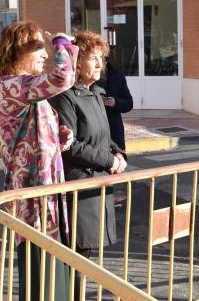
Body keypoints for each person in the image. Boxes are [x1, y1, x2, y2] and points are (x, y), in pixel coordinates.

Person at [0, 20, 78, 301]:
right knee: (41, 268)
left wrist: (59, 135)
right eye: (38, 48)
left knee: (53, 267)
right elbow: (63, 77)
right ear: (18, 52)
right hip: (32, 196)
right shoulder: (12, 86)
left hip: (46, 191)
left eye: (46, 47)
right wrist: (62, 42)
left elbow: (36, 131)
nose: (45, 54)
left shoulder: (27, 89)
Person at [49, 31, 127, 284]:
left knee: (85, 254)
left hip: (97, 184)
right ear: (77, 60)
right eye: (93, 58)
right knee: (76, 253)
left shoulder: (95, 93)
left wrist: (118, 152)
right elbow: (70, 146)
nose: (99, 64)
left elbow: (105, 134)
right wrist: (108, 161)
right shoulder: (65, 96)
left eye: (101, 58)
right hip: (79, 185)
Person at [96, 55, 133, 151]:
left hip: (114, 130)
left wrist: (115, 103)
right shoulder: (85, 78)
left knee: (119, 162)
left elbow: (129, 103)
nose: (97, 64)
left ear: (105, 60)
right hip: (95, 133)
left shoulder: (117, 76)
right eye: (93, 59)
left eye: (100, 59)